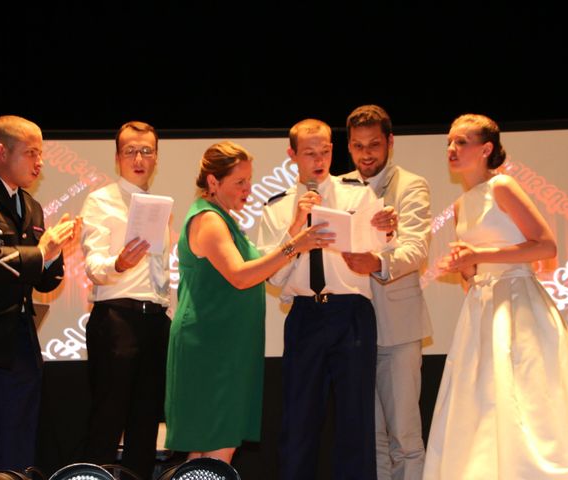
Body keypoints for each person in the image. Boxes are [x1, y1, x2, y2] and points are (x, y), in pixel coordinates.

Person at [423, 114, 568, 479]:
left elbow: (545, 246)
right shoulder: (464, 203)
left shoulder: (504, 187)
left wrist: (479, 255)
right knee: (482, 397)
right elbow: (476, 272)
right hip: (481, 306)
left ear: (486, 149)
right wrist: (465, 267)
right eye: (449, 141)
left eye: (462, 142)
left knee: (524, 395)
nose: (452, 148)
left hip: (516, 302)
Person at [164, 140, 328, 465]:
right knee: (216, 448)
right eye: (239, 182)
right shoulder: (209, 221)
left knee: (206, 450)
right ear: (213, 182)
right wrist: (296, 244)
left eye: (249, 180)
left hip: (224, 345)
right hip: (211, 347)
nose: (247, 189)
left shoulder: (223, 218)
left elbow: (260, 267)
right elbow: (240, 276)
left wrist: (294, 228)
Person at [0, 114, 81, 474]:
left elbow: (45, 282)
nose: (40, 162)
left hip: (20, 346)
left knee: (19, 451)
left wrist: (55, 255)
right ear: (1, 151)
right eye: (32, 153)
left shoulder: (31, 206)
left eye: (42, 153)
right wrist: (42, 252)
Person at [257, 118, 390, 480]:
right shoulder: (277, 207)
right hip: (304, 314)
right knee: (299, 420)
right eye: (310, 153)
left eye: (326, 151)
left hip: (351, 313)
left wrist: (384, 234)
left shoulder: (358, 194)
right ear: (292, 155)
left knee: (355, 421)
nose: (319, 160)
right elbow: (273, 275)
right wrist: (296, 228)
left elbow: (378, 253)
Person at [340, 105, 432, 480]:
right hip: (350, 332)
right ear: (348, 146)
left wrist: (376, 260)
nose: (366, 154)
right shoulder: (339, 186)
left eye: (374, 145)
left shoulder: (411, 185)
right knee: (370, 438)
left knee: (405, 437)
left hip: (397, 328)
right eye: (359, 146)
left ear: (390, 142)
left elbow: (416, 249)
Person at [79, 121, 172, 480]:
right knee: (108, 418)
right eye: (131, 150)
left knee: (146, 422)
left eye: (146, 150)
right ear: (118, 157)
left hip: (154, 320)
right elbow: (93, 264)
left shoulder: (159, 205)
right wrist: (119, 262)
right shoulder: (101, 200)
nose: (139, 157)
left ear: (156, 158)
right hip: (117, 318)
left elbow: (160, 271)